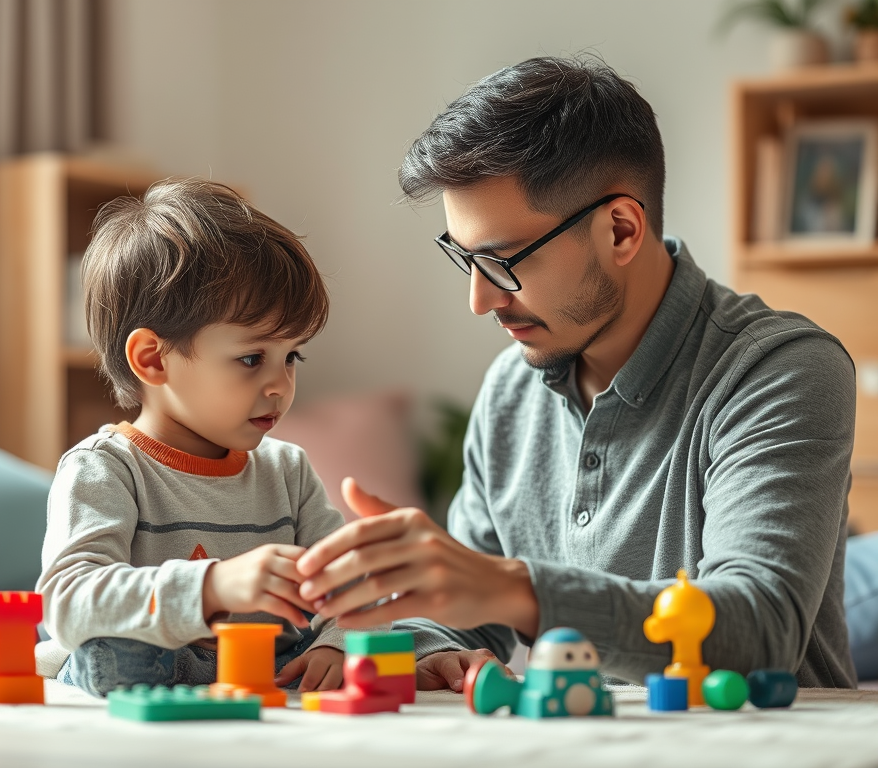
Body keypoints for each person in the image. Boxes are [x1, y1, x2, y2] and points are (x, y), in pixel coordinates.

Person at [295, 56, 858, 691]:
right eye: (463, 258)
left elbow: (759, 630)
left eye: (503, 261)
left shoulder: (779, 370)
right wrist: (431, 645)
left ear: (620, 229)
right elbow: (467, 616)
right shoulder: (511, 389)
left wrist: (513, 589)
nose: (480, 301)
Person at [35, 178, 352, 697]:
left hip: (266, 667)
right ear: (153, 359)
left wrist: (335, 643)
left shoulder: (287, 470)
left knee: (403, 632)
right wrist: (213, 587)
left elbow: (348, 583)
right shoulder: (105, 468)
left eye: (291, 356)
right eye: (252, 358)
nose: (280, 385)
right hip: (148, 668)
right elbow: (66, 604)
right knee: (110, 648)